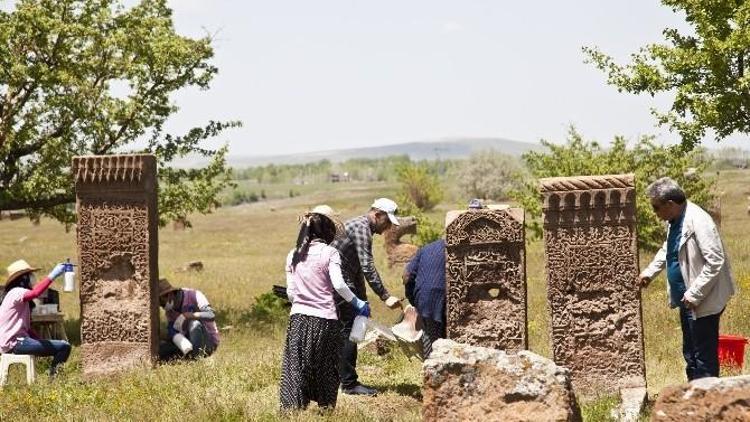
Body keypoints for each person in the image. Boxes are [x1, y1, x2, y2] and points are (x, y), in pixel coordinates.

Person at [639, 177, 735, 380]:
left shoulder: (698, 221)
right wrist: (649, 273)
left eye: (656, 208)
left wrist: (695, 292)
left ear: (670, 204)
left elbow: (715, 260)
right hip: (688, 300)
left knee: (703, 356)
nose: (655, 214)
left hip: (702, 299)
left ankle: (708, 402)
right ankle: (693, 396)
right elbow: (669, 249)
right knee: (690, 353)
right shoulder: (675, 220)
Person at [279, 205, 371, 411]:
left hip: (298, 319)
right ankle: (325, 408)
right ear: (327, 231)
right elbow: (339, 285)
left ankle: (291, 410)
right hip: (325, 320)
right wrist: (358, 303)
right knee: (325, 366)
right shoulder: (330, 253)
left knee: (297, 365)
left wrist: (304, 299)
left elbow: (291, 294)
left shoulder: (292, 254)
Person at [330, 198, 404, 396]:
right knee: (348, 330)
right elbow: (367, 267)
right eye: (387, 222)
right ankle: (349, 384)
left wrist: (363, 299)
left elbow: (354, 267)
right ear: (377, 215)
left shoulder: (359, 225)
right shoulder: (362, 228)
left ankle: (339, 378)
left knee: (348, 328)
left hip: (343, 280)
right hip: (338, 283)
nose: (388, 227)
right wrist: (385, 296)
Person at [0, 259, 71, 377]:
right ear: (23, 278)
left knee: (60, 345)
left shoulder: (13, 296)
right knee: (64, 346)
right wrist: (53, 275)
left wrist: (42, 342)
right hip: (16, 344)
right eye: (30, 275)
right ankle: (54, 379)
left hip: (15, 343)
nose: (33, 278)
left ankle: (52, 374)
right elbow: (35, 293)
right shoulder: (16, 292)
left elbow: (25, 329)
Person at [403, 238, 446, 358]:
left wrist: (412, 298)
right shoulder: (458, 247)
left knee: (432, 339)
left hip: (427, 299)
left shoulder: (426, 248)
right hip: (449, 299)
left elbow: (407, 276)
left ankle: (431, 369)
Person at [158, 279, 219, 361]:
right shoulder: (170, 311)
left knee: (194, 324)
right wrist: (172, 333)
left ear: (169, 295)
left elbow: (211, 315)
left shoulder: (194, 295)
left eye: (162, 302)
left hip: (208, 342)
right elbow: (174, 329)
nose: (162, 306)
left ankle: (196, 358)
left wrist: (190, 315)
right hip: (188, 342)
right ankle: (189, 356)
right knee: (162, 349)